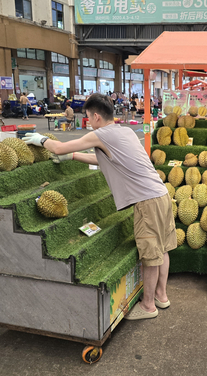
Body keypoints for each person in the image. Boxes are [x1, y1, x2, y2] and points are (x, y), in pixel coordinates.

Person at [22, 94, 175, 320]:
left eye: (87, 117)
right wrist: (75, 156)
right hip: (161, 195)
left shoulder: (100, 134)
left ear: (95, 116)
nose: (88, 122)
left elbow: (59, 147)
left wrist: (41, 140)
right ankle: (161, 296)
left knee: (151, 255)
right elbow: (106, 160)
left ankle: (148, 306)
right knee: (162, 249)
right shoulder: (125, 132)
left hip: (147, 202)